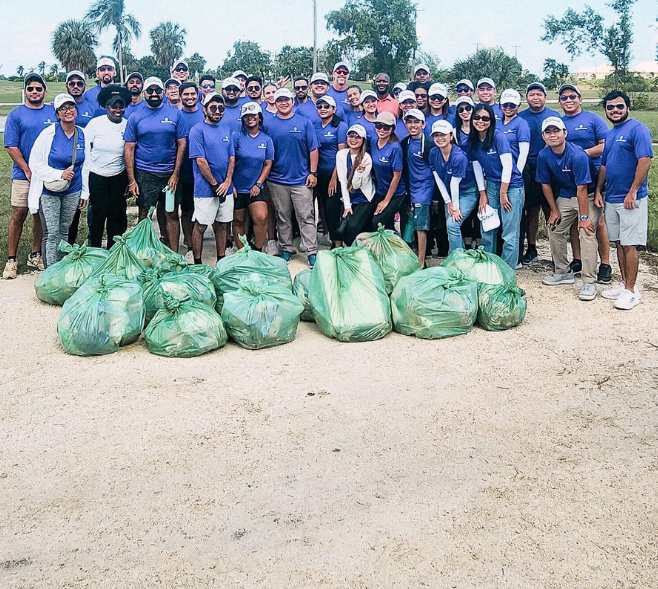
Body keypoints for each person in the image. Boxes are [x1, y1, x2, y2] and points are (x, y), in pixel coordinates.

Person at [596, 90, 653, 310]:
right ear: (606, 111)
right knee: (619, 242)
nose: (615, 111)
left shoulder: (638, 129)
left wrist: (633, 191)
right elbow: (604, 165)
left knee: (630, 244)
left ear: (627, 107)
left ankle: (631, 290)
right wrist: (599, 190)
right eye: (610, 107)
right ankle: (623, 284)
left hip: (631, 198)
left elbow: (645, 160)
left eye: (619, 106)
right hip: (612, 197)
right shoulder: (611, 134)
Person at [537, 117, 600, 301]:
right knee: (554, 227)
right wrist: (554, 210)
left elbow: (582, 189)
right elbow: (545, 184)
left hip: (586, 196)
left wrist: (583, 218)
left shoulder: (577, 155)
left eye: (556, 131)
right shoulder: (543, 155)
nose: (552, 135)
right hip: (565, 195)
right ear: (543, 136)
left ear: (565, 133)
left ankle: (589, 282)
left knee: (586, 232)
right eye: (548, 132)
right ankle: (563, 271)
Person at [123, 77, 186, 250]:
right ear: (144, 93)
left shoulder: (175, 113)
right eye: (150, 90)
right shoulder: (135, 116)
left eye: (157, 90)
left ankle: (173, 253)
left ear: (163, 92)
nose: (153, 94)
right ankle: (142, 251)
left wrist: (175, 174)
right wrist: (132, 180)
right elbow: (129, 148)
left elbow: (182, 144)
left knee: (171, 213)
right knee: (144, 214)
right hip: (145, 173)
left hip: (169, 175)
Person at [2, 73, 53, 279]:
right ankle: (11, 260)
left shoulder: (52, 112)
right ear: (25, 91)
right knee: (19, 214)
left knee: (40, 215)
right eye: (30, 89)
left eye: (38, 89)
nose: (34, 92)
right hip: (23, 174)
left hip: (46, 174)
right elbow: (11, 146)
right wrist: (27, 169)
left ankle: (35, 255)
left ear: (44, 92)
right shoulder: (16, 114)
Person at [559, 83, 612, 283]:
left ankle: (605, 263)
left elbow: (606, 144)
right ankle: (578, 259)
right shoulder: (560, 123)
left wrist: (583, 154)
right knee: (575, 222)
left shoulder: (592, 119)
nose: (569, 100)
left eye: (572, 96)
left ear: (580, 99)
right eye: (564, 98)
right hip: (569, 179)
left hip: (595, 176)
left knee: (597, 222)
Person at [27, 94, 86, 267]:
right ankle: (50, 272)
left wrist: (85, 191)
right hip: (50, 191)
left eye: (71, 107)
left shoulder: (82, 134)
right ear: (57, 114)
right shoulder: (48, 134)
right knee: (52, 233)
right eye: (63, 108)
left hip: (73, 190)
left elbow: (87, 165)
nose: (68, 111)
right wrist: (58, 174)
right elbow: (35, 163)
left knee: (64, 231)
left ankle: (61, 269)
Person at [264, 88, 319, 267]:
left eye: (286, 99)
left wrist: (312, 172)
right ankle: (286, 248)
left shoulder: (304, 123)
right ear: (275, 102)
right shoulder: (269, 124)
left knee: (306, 216)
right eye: (279, 100)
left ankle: (311, 251)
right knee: (283, 216)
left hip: (301, 179)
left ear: (292, 101)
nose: (283, 103)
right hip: (277, 180)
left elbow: (313, 149)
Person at [470, 103, 525, 269]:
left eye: (486, 118)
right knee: (488, 225)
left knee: (509, 231)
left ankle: (508, 268)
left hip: (511, 186)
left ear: (492, 121)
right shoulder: (472, 141)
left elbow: (508, 166)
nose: (481, 121)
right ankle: (489, 264)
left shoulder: (498, 137)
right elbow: (477, 166)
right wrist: (483, 193)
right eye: (477, 117)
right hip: (492, 185)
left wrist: (503, 193)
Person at [188, 92, 235, 264]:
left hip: (225, 187)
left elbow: (232, 157)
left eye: (221, 108)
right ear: (204, 109)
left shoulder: (226, 129)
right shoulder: (197, 131)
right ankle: (198, 262)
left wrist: (228, 181)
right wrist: (215, 185)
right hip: (206, 189)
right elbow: (200, 161)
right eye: (213, 107)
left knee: (222, 224)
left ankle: (221, 260)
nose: (217, 111)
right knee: (200, 225)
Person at [81, 85, 130, 249]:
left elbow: (130, 152)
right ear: (106, 107)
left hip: (118, 175)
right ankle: (94, 250)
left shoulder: (127, 125)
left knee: (117, 217)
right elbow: (86, 151)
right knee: (97, 217)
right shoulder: (95, 124)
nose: (117, 110)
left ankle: (113, 251)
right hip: (97, 175)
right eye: (113, 106)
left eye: (120, 106)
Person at [518, 82, 560, 264]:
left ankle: (557, 252)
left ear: (545, 96)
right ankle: (532, 247)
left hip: (551, 168)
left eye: (539, 94)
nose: (535, 97)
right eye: (532, 94)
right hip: (528, 168)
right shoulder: (521, 117)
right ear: (526, 97)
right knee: (532, 210)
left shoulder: (554, 116)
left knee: (552, 209)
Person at [430, 120, 480, 253]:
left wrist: (455, 207)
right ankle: (458, 255)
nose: (439, 138)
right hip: (450, 193)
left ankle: (458, 258)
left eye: (443, 135)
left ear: (451, 136)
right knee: (450, 226)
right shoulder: (433, 153)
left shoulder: (459, 157)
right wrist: (448, 202)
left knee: (452, 224)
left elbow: (455, 183)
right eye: (436, 135)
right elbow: (438, 179)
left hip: (467, 192)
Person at [232, 102, 274, 251]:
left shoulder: (266, 140)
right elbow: (230, 161)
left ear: (259, 118)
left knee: (261, 217)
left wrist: (258, 184)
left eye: (253, 115)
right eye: (247, 116)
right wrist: (231, 184)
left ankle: (257, 250)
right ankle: (242, 252)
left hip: (256, 187)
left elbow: (267, 164)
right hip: (238, 187)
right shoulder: (236, 137)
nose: (250, 118)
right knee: (238, 220)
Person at [401, 109, 434, 267]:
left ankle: (421, 261)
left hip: (424, 189)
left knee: (421, 226)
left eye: (416, 122)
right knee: (410, 223)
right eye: (409, 122)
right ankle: (411, 256)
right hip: (411, 188)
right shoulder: (405, 142)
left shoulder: (428, 144)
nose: (413, 125)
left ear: (423, 124)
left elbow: (435, 168)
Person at [313, 95, 348, 247]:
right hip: (319, 173)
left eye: (326, 107)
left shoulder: (340, 126)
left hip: (334, 174)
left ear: (333, 109)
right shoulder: (316, 126)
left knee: (333, 209)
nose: (322, 109)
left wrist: (335, 178)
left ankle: (338, 243)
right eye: (320, 107)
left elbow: (342, 155)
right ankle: (329, 237)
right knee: (322, 209)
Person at [335, 124, 376, 245]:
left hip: (364, 197)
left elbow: (357, 185)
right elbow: (342, 181)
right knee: (344, 228)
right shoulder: (341, 154)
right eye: (351, 136)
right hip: (349, 195)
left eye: (358, 137)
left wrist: (358, 172)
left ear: (363, 140)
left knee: (353, 227)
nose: (353, 140)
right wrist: (347, 205)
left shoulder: (366, 158)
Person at [178, 82, 205, 260]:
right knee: (186, 209)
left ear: (198, 95)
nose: (189, 97)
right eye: (186, 94)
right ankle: (189, 243)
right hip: (184, 170)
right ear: (180, 96)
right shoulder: (177, 115)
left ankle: (200, 242)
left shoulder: (204, 113)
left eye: (192, 94)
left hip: (202, 170)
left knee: (202, 210)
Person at [369, 111, 407, 230]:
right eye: (379, 126)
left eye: (386, 127)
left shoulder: (395, 148)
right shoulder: (373, 142)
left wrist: (386, 201)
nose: (382, 129)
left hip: (396, 194)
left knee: (378, 221)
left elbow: (397, 176)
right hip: (380, 190)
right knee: (385, 225)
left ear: (392, 129)